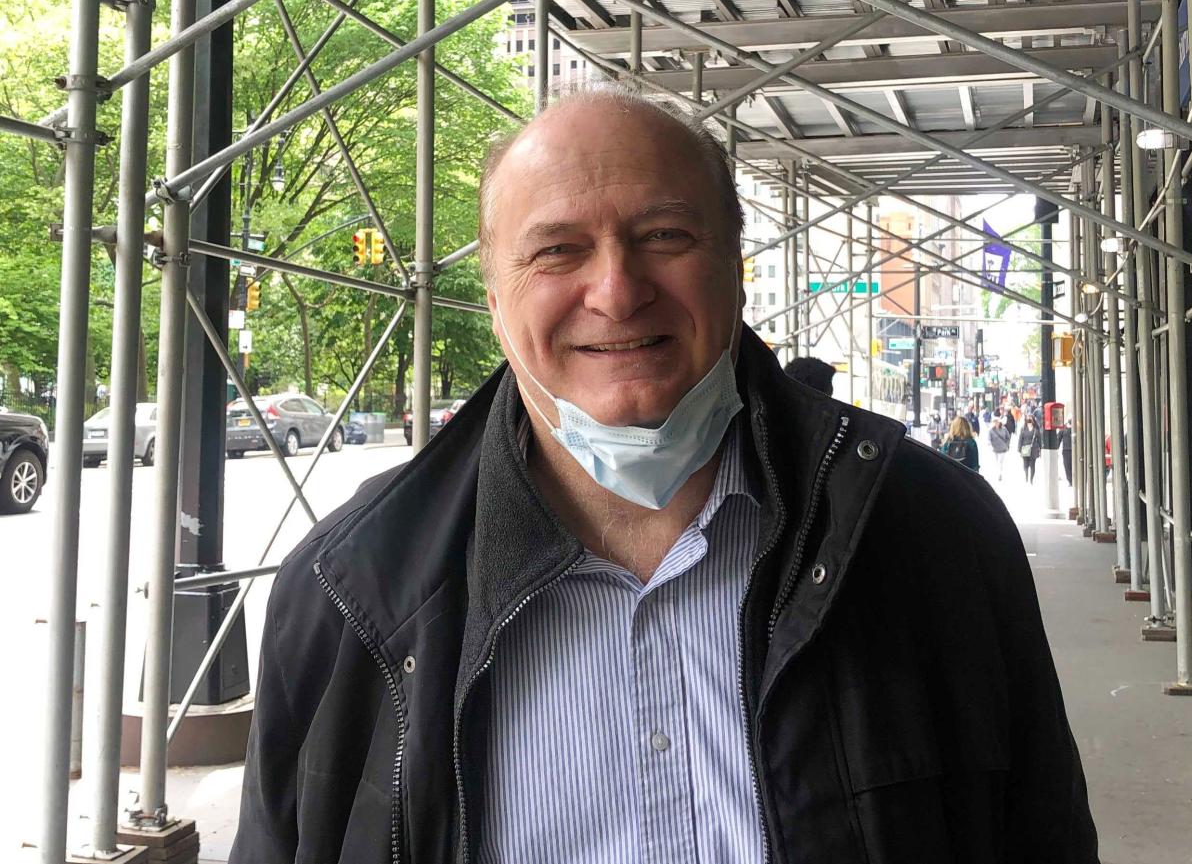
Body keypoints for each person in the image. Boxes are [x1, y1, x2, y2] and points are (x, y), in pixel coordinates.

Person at [230, 87, 1096, 864]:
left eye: (664, 236)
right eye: (557, 251)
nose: (615, 289)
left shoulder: (937, 535)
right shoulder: (345, 594)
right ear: (494, 300)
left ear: (735, 269)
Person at [1018, 414, 1043, 484]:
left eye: (1030, 419)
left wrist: (1041, 449)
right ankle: (1026, 475)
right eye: (1028, 419)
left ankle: (1031, 479)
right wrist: (1019, 449)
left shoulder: (1036, 430)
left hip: (1033, 449)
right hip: (1025, 448)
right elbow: (1020, 439)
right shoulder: (1023, 429)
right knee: (1025, 465)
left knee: (1032, 465)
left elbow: (1039, 440)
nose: (1029, 421)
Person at [988, 415, 1012, 481]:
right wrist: (989, 442)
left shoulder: (1004, 429)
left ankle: (1000, 474)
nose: (996, 423)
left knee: (999, 462)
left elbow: (1008, 437)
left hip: (1003, 449)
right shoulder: (991, 431)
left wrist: (1007, 445)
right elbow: (989, 438)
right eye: (994, 422)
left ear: (999, 422)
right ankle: (999, 471)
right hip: (995, 449)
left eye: (997, 422)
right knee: (998, 462)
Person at [1061, 418, 1074, 485]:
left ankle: (1073, 480)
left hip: (1074, 450)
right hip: (1066, 450)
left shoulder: (1076, 428)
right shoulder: (1063, 429)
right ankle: (1070, 480)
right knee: (1067, 466)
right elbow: (1059, 438)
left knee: (1072, 466)